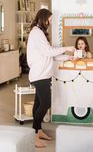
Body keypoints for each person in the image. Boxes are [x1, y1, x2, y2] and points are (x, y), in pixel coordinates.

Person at [27, 9, 75, 148]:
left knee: (38, 104)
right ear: (43, 18)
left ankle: (38, 130)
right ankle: (34, 135)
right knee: (46, 103)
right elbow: (49, 52)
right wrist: (66, 48)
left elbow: (51, 55)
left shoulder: (39, 33)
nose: (51, 21)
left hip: (43, 74)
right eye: (50, 19)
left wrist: (68, 56)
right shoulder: (36, 32)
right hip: (39, 75)